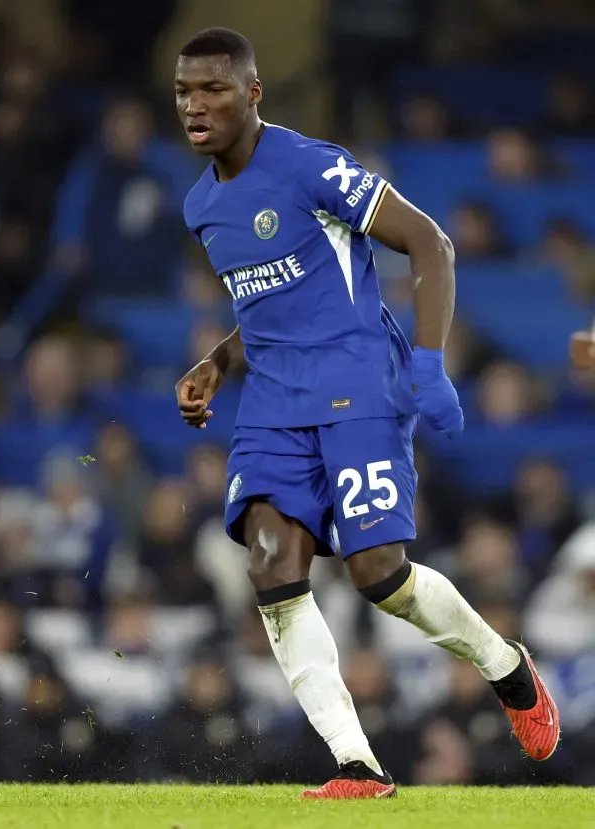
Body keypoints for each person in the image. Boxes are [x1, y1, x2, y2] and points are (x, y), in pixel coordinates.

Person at [172, 28, 559, 800]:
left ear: (253, 94)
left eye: (214, 88)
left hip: (357, 378)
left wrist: (428, 361)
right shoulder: (201, 205)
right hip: (275, 398)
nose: (195, 105)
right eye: (184, 91)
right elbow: (271, 302)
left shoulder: (312, 165)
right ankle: (358, 763)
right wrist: (218, 359)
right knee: (269, 561)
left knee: (379, 576)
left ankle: (507, 668)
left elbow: (430, 242)